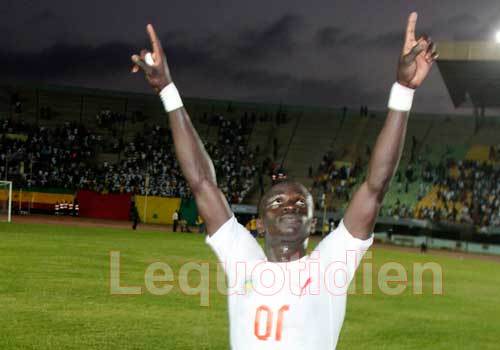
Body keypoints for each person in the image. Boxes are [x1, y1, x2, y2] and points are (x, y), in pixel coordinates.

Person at [131, 12, 437, 349]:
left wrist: (404, 90)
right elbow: (203, 182)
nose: (289, 204)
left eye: (299, 202)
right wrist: (167, 90)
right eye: (277, 201)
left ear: (313, 222)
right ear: (260, 222)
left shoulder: (330, 267)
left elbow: (374, 187)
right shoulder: (242, 258)